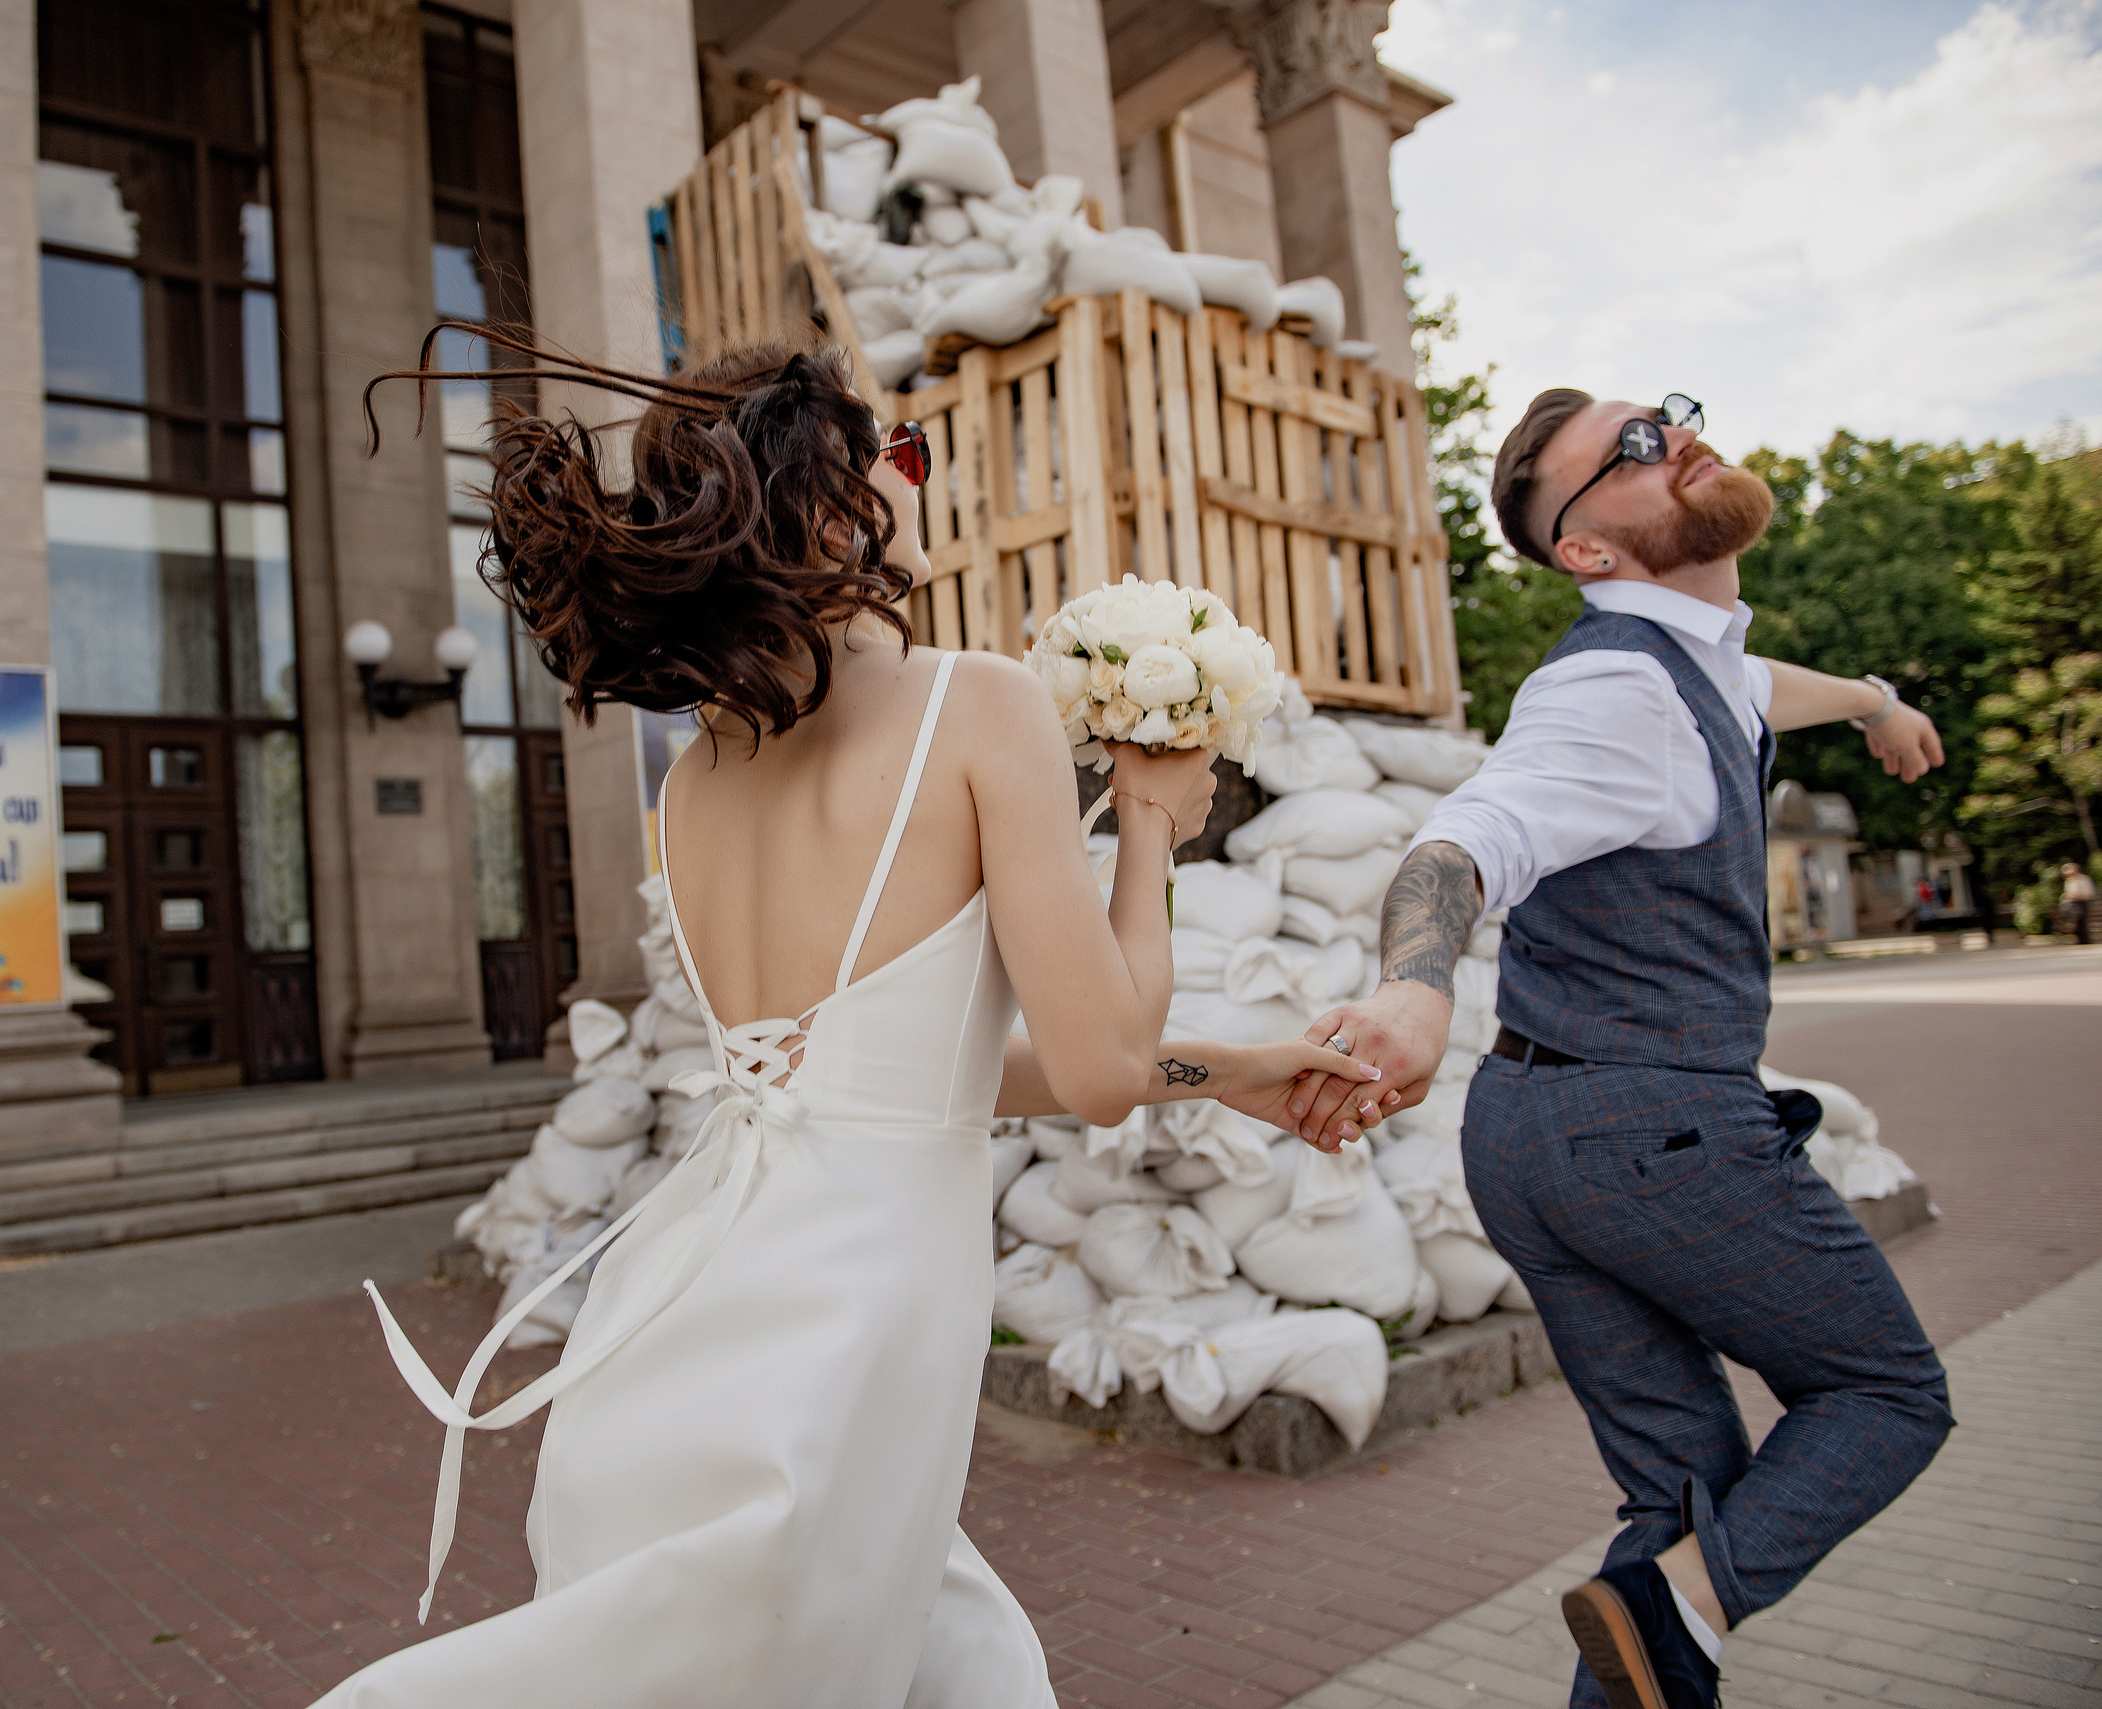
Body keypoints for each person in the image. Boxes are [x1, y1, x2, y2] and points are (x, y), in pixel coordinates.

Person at [306, 331, 1385, 1709]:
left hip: (705, 1294)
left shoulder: (697, 776)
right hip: (857, 1315)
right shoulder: (978, 704)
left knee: (942, 1663)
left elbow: (909, 1075)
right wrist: (1157, 831)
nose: (919, 479)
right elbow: (1104, 1066)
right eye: (905, 454)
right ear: (829, 502)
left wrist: (1229, 1068)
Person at [1285, 390, 1956, 1709]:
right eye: (1633, 452)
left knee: (1677, 1493)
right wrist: (1418, 989)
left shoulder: (1700, 663)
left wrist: (1876, 703)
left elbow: (1765, 685)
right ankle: (1681, 1601)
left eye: (1668, 415)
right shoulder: (1614, 690)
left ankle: (1664, 1608)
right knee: (1884, 1393)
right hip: (1649, 1138)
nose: (1674, 437)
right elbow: (1464, 838)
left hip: (1535, 1138)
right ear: (1587, 552)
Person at [2061, 861, 2097, 944]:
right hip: (2072, 904)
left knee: (2083, 921)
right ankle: (2079, 939)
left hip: (2083, 902)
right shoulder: (2069, 881)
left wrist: (2078, 896)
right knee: (2075, 920)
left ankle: (2085, 940)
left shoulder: (2084, 879)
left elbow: (2089, 893)